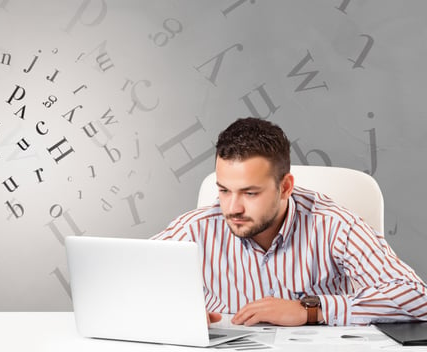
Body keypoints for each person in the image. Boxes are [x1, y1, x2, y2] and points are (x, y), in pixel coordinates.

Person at [152, 117, 427, 326]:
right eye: (224, 190)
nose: (232, 208)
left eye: (250, 193)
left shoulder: (336, 226)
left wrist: (310, 310)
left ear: (285, 187)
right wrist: (171, 310)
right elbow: (121, 285)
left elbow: (417, 298)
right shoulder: (195, 228)